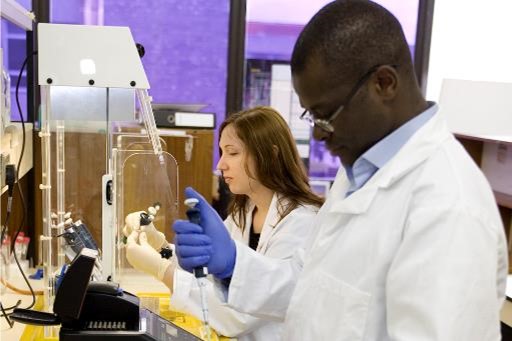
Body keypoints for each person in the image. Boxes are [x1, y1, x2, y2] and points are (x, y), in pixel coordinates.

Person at [172, 1, 508, 340]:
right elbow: (309, 290)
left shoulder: (449, 206)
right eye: (311, 117)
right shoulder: (358, 173)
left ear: (384, 83)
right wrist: (233, 266)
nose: (318, 134)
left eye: (326, 114)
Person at [124, 106, 323, 340]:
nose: (221, 165)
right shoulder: (244, 213)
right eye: (221, 153)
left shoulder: (302, 222)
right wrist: (162, 248)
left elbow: (239, 317)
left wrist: (162, 270)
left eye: (232, 153)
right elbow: (210, 275)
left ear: (270, 155)